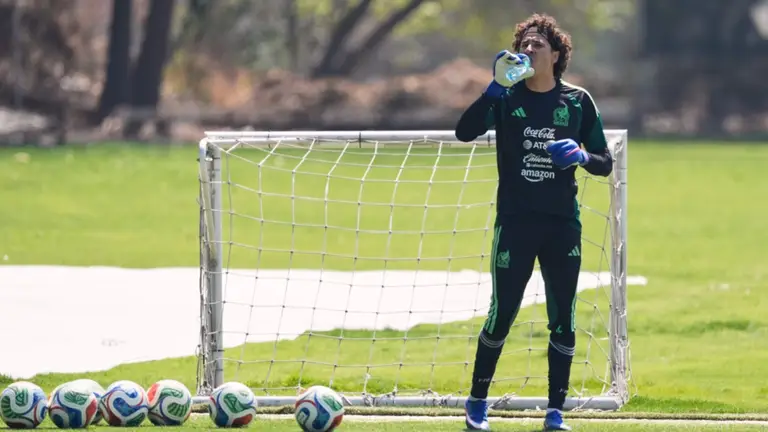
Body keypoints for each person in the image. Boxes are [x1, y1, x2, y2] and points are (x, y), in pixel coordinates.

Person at [454, 13, 613, 431]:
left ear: (556, 54)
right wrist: (493, 89)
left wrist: (581, 156)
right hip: (516, 223)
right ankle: (477, 402)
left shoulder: (577, 101)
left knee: (563, 317)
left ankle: (555, 411)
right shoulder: (506, 98)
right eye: (523, 43)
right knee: (503, 312)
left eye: (536, 43)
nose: (527, 49)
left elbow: (604, 161)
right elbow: (464, 132)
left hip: (561, 226)